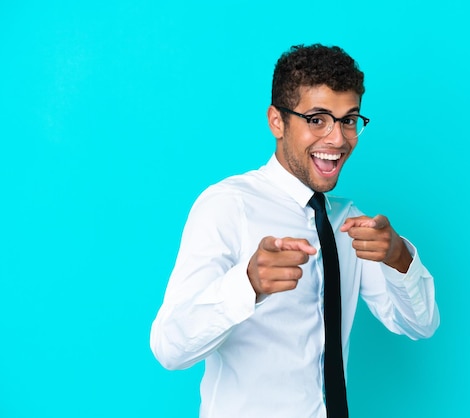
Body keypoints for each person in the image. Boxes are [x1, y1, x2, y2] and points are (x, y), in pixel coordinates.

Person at [150, 44, 439, 418]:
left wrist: (399, 257)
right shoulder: (228, 206)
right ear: (277, 121)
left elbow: (420, 325)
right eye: (317, 119)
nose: (337, 139)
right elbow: (169, 349)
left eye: (348, 120)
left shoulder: (350, 222)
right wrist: (247, 284)